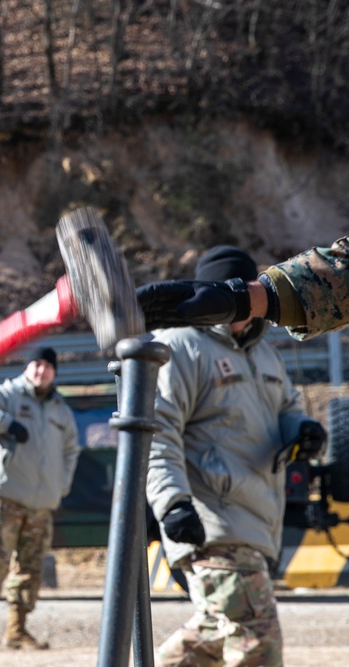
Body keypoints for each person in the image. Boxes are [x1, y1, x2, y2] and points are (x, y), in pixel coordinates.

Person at [146, 246, 327, 667]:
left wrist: (302, 430)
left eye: (243, 290)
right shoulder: (179, 346)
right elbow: (158, 434)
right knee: (256, 640)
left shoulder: (266, 351)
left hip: (259, 519)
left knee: (213, 633)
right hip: (212, 521)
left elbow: (287, 408)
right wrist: (173, 504)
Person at [0, 346, 80, 651]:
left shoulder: (60, 409)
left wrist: (60, 485)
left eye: (47, 366)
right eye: (36, 365)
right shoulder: (6, 395)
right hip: (4, 498)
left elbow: (71, 450)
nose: (41, 371)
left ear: (55, 372)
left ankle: (16, 631)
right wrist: (4, 422)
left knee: (31, 569)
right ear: (27, 368)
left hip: (41, 505)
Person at [137, 236, 349, 337]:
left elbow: (286, 404)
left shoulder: (261, 350)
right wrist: (250, 299)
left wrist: (299, 424)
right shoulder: (181, 345)